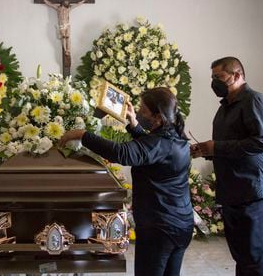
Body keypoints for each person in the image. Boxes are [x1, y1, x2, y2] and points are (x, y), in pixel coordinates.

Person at [59, 87, 194, 276]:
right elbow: (151, 150)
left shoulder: (159, 143)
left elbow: (121, 153)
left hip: (160, 227)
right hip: (181, 223)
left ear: (157, 116)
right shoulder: (176, 137)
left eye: (143, 110)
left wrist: (83, 135)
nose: (139, 112)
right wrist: (133, 123)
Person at [191, 57, 263, 276]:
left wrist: (216, 147)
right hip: (232, 193)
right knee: (242, 258)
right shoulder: (225, 107)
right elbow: (229, 146)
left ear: (237, 75)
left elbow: (262, 142)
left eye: (219, 77)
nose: (214, 82)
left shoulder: (254, 101)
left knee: (256, 259)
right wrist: (206, 150)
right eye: (213, 78)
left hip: (252, 192)